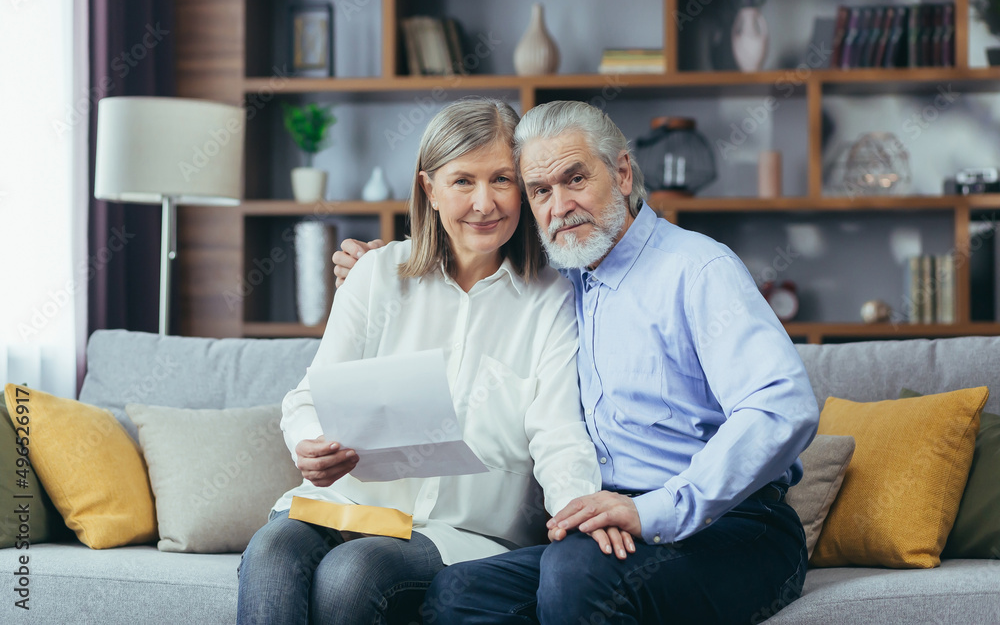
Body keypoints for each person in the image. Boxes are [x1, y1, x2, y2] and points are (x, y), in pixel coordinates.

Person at [334, 100, 819, 624]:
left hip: (734, 526)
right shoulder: (558, 279)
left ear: (623, 172)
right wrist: (383, 269)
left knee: (574, 570)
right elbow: (469, 268)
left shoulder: (697, 269)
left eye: (575, 179)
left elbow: (783, 406)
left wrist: (654, 510)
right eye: (540, 191)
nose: (560, 205)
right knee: (458, 590)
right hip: (605, 522)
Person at [236, 98, 607, 625]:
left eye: (502, 179)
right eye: (463, 182)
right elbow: (307, 397)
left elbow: (558, 432)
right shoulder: (376, 274)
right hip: (345, 503)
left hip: (459, 533)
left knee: (354, 573)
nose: (485, 203)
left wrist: (579, 513)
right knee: (272, 552)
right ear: (429, 188)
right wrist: (309, 443)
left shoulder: (550, 300)